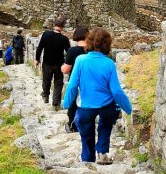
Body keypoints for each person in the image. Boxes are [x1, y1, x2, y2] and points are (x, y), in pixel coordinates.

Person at [63, 28, 132, 165]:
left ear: (89, 42)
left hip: (85, 105)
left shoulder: (81, 60)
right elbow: (116, 91)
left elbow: (72, 85)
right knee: (105, 125)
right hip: (107, 105)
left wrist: (67, 102)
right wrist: (128, 108)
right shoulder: (109, 64)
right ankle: (102, 152)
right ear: (107, 45)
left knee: (86, 132)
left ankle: (88, 159)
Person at [35, 17, 70, 110]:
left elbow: (40, 48)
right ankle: (56, 102)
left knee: (46, 80)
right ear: (62, 26)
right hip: (59, 64)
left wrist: (37, 59)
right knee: (58, 82)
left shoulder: (46, 34)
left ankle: (45, 95)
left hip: (47, 63)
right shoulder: (64, 39)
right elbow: (69, 52)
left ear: (54, 25)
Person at [61, 26, 89, 133]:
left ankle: (72, 124)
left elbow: (66, 69)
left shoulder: (72, 51)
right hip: (90, 81)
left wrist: (62, 67)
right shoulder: (92, 50)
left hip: (76, 81)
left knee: (73, 103)